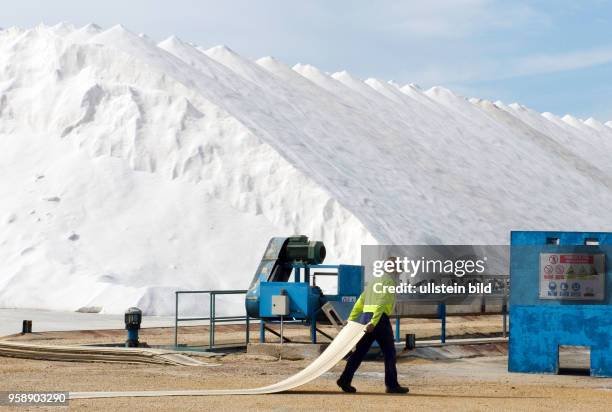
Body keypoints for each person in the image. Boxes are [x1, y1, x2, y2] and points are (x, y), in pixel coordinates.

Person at [337, 258, 409, 394]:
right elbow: (382, 303)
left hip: (366, 317)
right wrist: (374, 322)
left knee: (359, 352)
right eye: (398, 269)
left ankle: (344, 380)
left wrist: (351, 319)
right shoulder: (390, 282)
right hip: (379, 320)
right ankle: (392, 385)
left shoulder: (374, 281)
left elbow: (361, 301)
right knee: (389, 353)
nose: (399, 273)